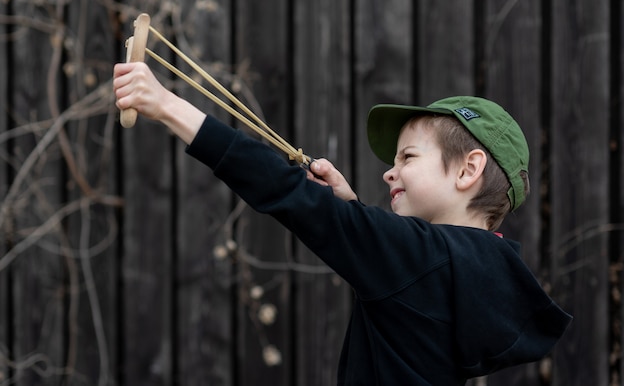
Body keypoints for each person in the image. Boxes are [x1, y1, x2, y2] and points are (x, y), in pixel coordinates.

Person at [113, 61, 572, 385]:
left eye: (408, 157)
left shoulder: (418, 257)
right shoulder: (479, 269)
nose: (389, 172)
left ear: (468, 170)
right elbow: (403, 299)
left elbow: (284, 190)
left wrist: (167, 104)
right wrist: (353, 213)